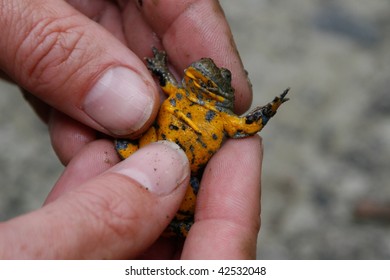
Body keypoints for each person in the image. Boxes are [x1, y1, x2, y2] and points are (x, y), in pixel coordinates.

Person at [0, 0, 262, 259]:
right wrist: (158, 66)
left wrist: (269, 109)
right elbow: (166, 81)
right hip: (147, 153)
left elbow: (246, 125)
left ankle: (179, 222)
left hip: (180, 183)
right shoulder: (182, 93)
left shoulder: (222, 117)